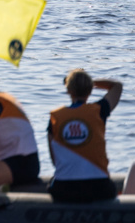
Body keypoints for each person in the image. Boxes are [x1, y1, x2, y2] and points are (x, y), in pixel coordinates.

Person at [46, 68, 123, 204]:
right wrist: (89, 82)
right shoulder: (99, 110)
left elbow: (54, 161)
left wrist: (76, 83)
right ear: (90, 90)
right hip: (99, 187)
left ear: (68, 90)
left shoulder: (55, 118)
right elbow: (117, 86)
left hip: (64, 189)